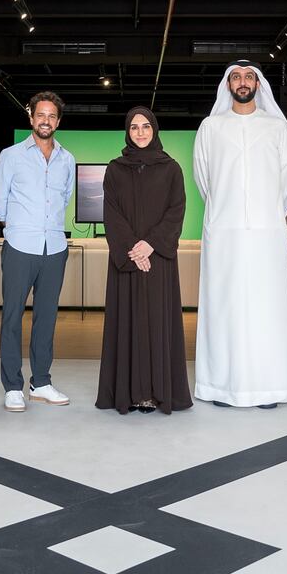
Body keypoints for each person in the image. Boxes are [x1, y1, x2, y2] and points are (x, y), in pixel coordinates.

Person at [193, 61, 287, 409]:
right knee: (223, 307)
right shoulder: (211, 127)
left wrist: (265, 215)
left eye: (249, 77)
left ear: (259, 83)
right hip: (223, 235)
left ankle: (268, 388)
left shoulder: (277, 128)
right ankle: (221, 387)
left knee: (265, 309)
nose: (242, 82)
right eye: (236, 77)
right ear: (227, 85)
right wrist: (226, 214)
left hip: (265, 236)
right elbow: (203, 180)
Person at [96, 107, 192, 415]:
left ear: (155, 130)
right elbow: (111, 214)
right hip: (127, 261)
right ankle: (130, 394)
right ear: (127, 131)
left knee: (155, 323)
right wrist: (132, 250)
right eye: (134, 127)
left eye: (145, 126)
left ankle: (154, 393)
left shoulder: (171, 169)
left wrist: (150, 245)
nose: (140, 132)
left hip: (157, 260)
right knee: (128, 322)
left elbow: (176, 210)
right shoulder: (114, 169)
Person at [0, 91, 75, 411]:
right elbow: (0, 202)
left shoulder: (67, 159)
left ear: (58, 121)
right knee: (12, 316)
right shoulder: (11, 155)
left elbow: (64, 198)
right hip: (20, 246)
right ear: (31, 117)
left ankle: (40, 382)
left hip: (54, 246)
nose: (46, 121)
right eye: (41, 115)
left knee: (47, 317)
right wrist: (17, 227)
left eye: (52, 116)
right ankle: (12, 386)